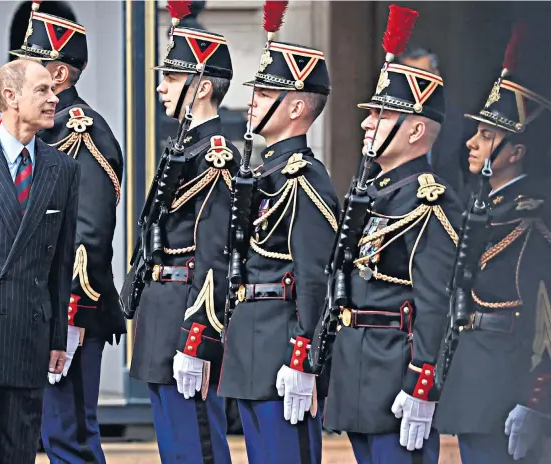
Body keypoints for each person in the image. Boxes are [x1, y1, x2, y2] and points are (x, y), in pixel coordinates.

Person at [323, 20, 463, 464]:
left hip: (396, 376)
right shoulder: (374, 193)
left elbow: (435, 303)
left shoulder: (429, 201)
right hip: (359, 371)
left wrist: (423, 384)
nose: (367, 122)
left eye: (381, 114)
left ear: (416, 131)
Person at [217, 30, 339, 463]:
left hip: (283, 348)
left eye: (265, 91)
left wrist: (303, 354)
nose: (252, 100)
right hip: (252, 340)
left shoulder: (305, 178)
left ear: (296, 106)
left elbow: (313, 277)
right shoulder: (266, 171)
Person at [9, 8, 126, 463]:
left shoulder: (82, 132)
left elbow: (89, 234)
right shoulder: (36, 137)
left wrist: (69, 317)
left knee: (69, 438)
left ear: (58, 74)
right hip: (33, 312)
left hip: (68, 314)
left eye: (30, 65)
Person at [0, 58, 79, 464]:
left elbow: (61, 263)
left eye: (52, 91)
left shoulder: (63, 170)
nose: (53, 98)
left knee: (19, 457)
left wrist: (58, 336)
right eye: (42, 90)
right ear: (11, 96)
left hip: (29, 334)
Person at [434, 28, 551, 463]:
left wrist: (537, 398)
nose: (471, 142)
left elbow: (545, 312)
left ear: (515, 151)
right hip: (473, 376)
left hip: (511, 380)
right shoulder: (481, 206)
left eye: (485, 136)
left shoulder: (535, 211)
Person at [128, 22, 240, 464]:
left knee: (197, 448)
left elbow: (213, 254)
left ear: (203, 87)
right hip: (162, 310)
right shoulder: (183, 147)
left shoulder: (215, 154)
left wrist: (196, 339)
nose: (160, 86)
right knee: (175, 448)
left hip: (185, 318)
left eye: (172, 78)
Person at [396, 46, 472, 195]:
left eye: (424, 76)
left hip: (447, 203)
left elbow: (470, 173)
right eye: (411, 77)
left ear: (436, 75)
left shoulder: (458, 118)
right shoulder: (389, 118)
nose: (419, 83)